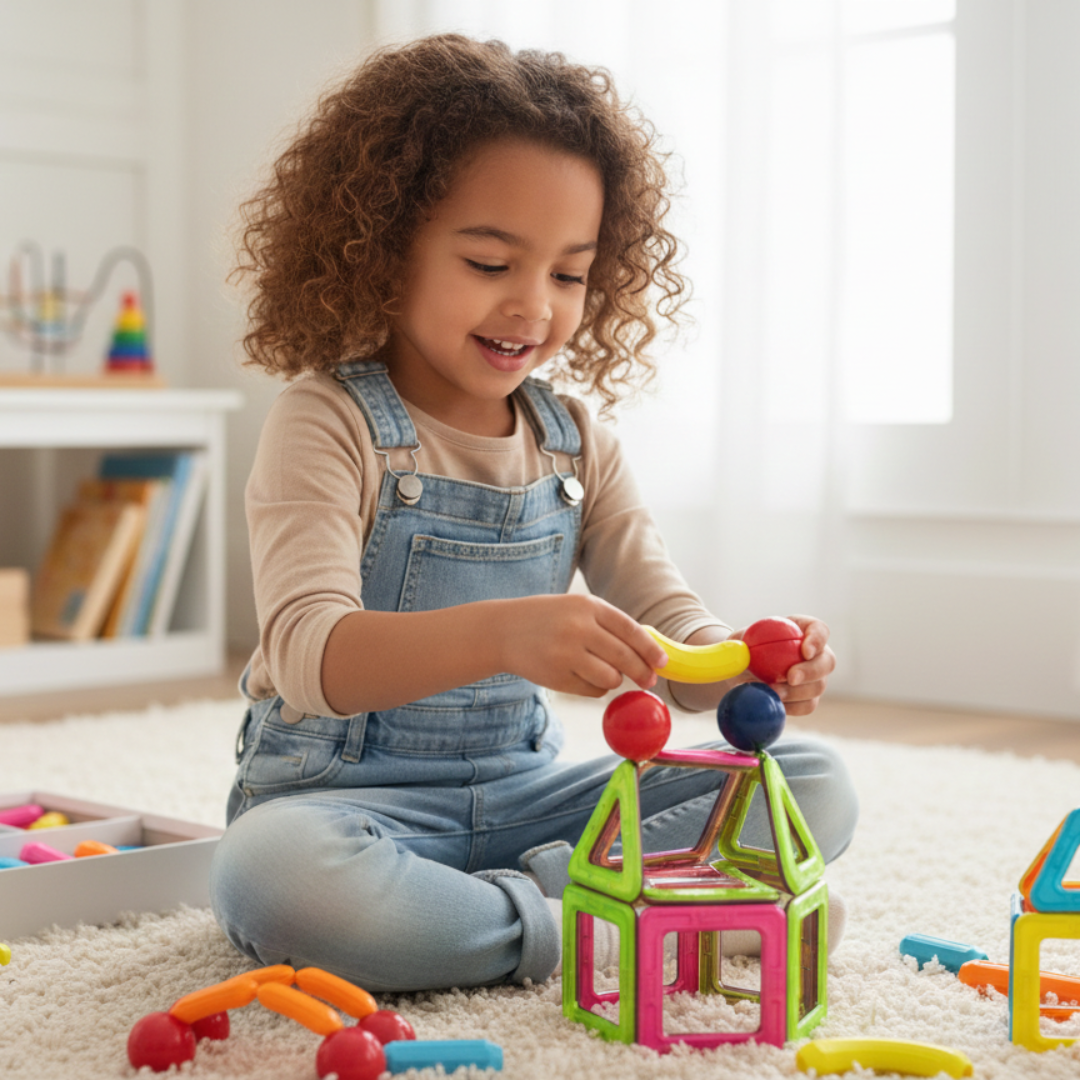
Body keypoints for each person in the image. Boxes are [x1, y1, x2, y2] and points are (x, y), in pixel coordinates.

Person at [210, 33, 858, 994]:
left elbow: (670, 624)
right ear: (385, 254)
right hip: (345, 808)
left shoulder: (575, 441)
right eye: (488, 262)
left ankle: (522, 913)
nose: (533, 307)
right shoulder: (325, 419)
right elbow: (309, 655)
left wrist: (741, 665)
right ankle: (615, 922)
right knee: (274, 879)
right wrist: (505, 634)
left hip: (526, 799)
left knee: (812, 783)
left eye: (567, 274)